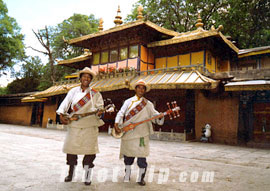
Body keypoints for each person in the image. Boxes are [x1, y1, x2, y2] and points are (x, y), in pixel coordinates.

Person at [56, 67, 104, 186]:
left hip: (89, 125)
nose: (86, 78)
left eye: (89, 77)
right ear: (80, 78)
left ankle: (87, 176)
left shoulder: (96, 94)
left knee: (90, 152)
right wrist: (61, 114)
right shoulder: (73, 91)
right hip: (75, 124)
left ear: (91, 79)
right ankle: (71, 173)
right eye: (84, 76)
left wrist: (99, 112)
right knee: (71, 150)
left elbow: (100, 108)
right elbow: (65, 103)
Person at [114, 79, 164, 186]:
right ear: (135, 89)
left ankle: (141, 178)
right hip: (129, 133)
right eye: (139, 87)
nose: (141, 89)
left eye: (143, 88)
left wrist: (159, 116)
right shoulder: (128, 101)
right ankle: (127, 174)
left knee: (142, 157)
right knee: (128, 157)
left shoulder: (148, 104)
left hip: (142, 133)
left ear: (145, 90)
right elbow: (121, 113)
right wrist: (116, 123)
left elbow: (155, 116)